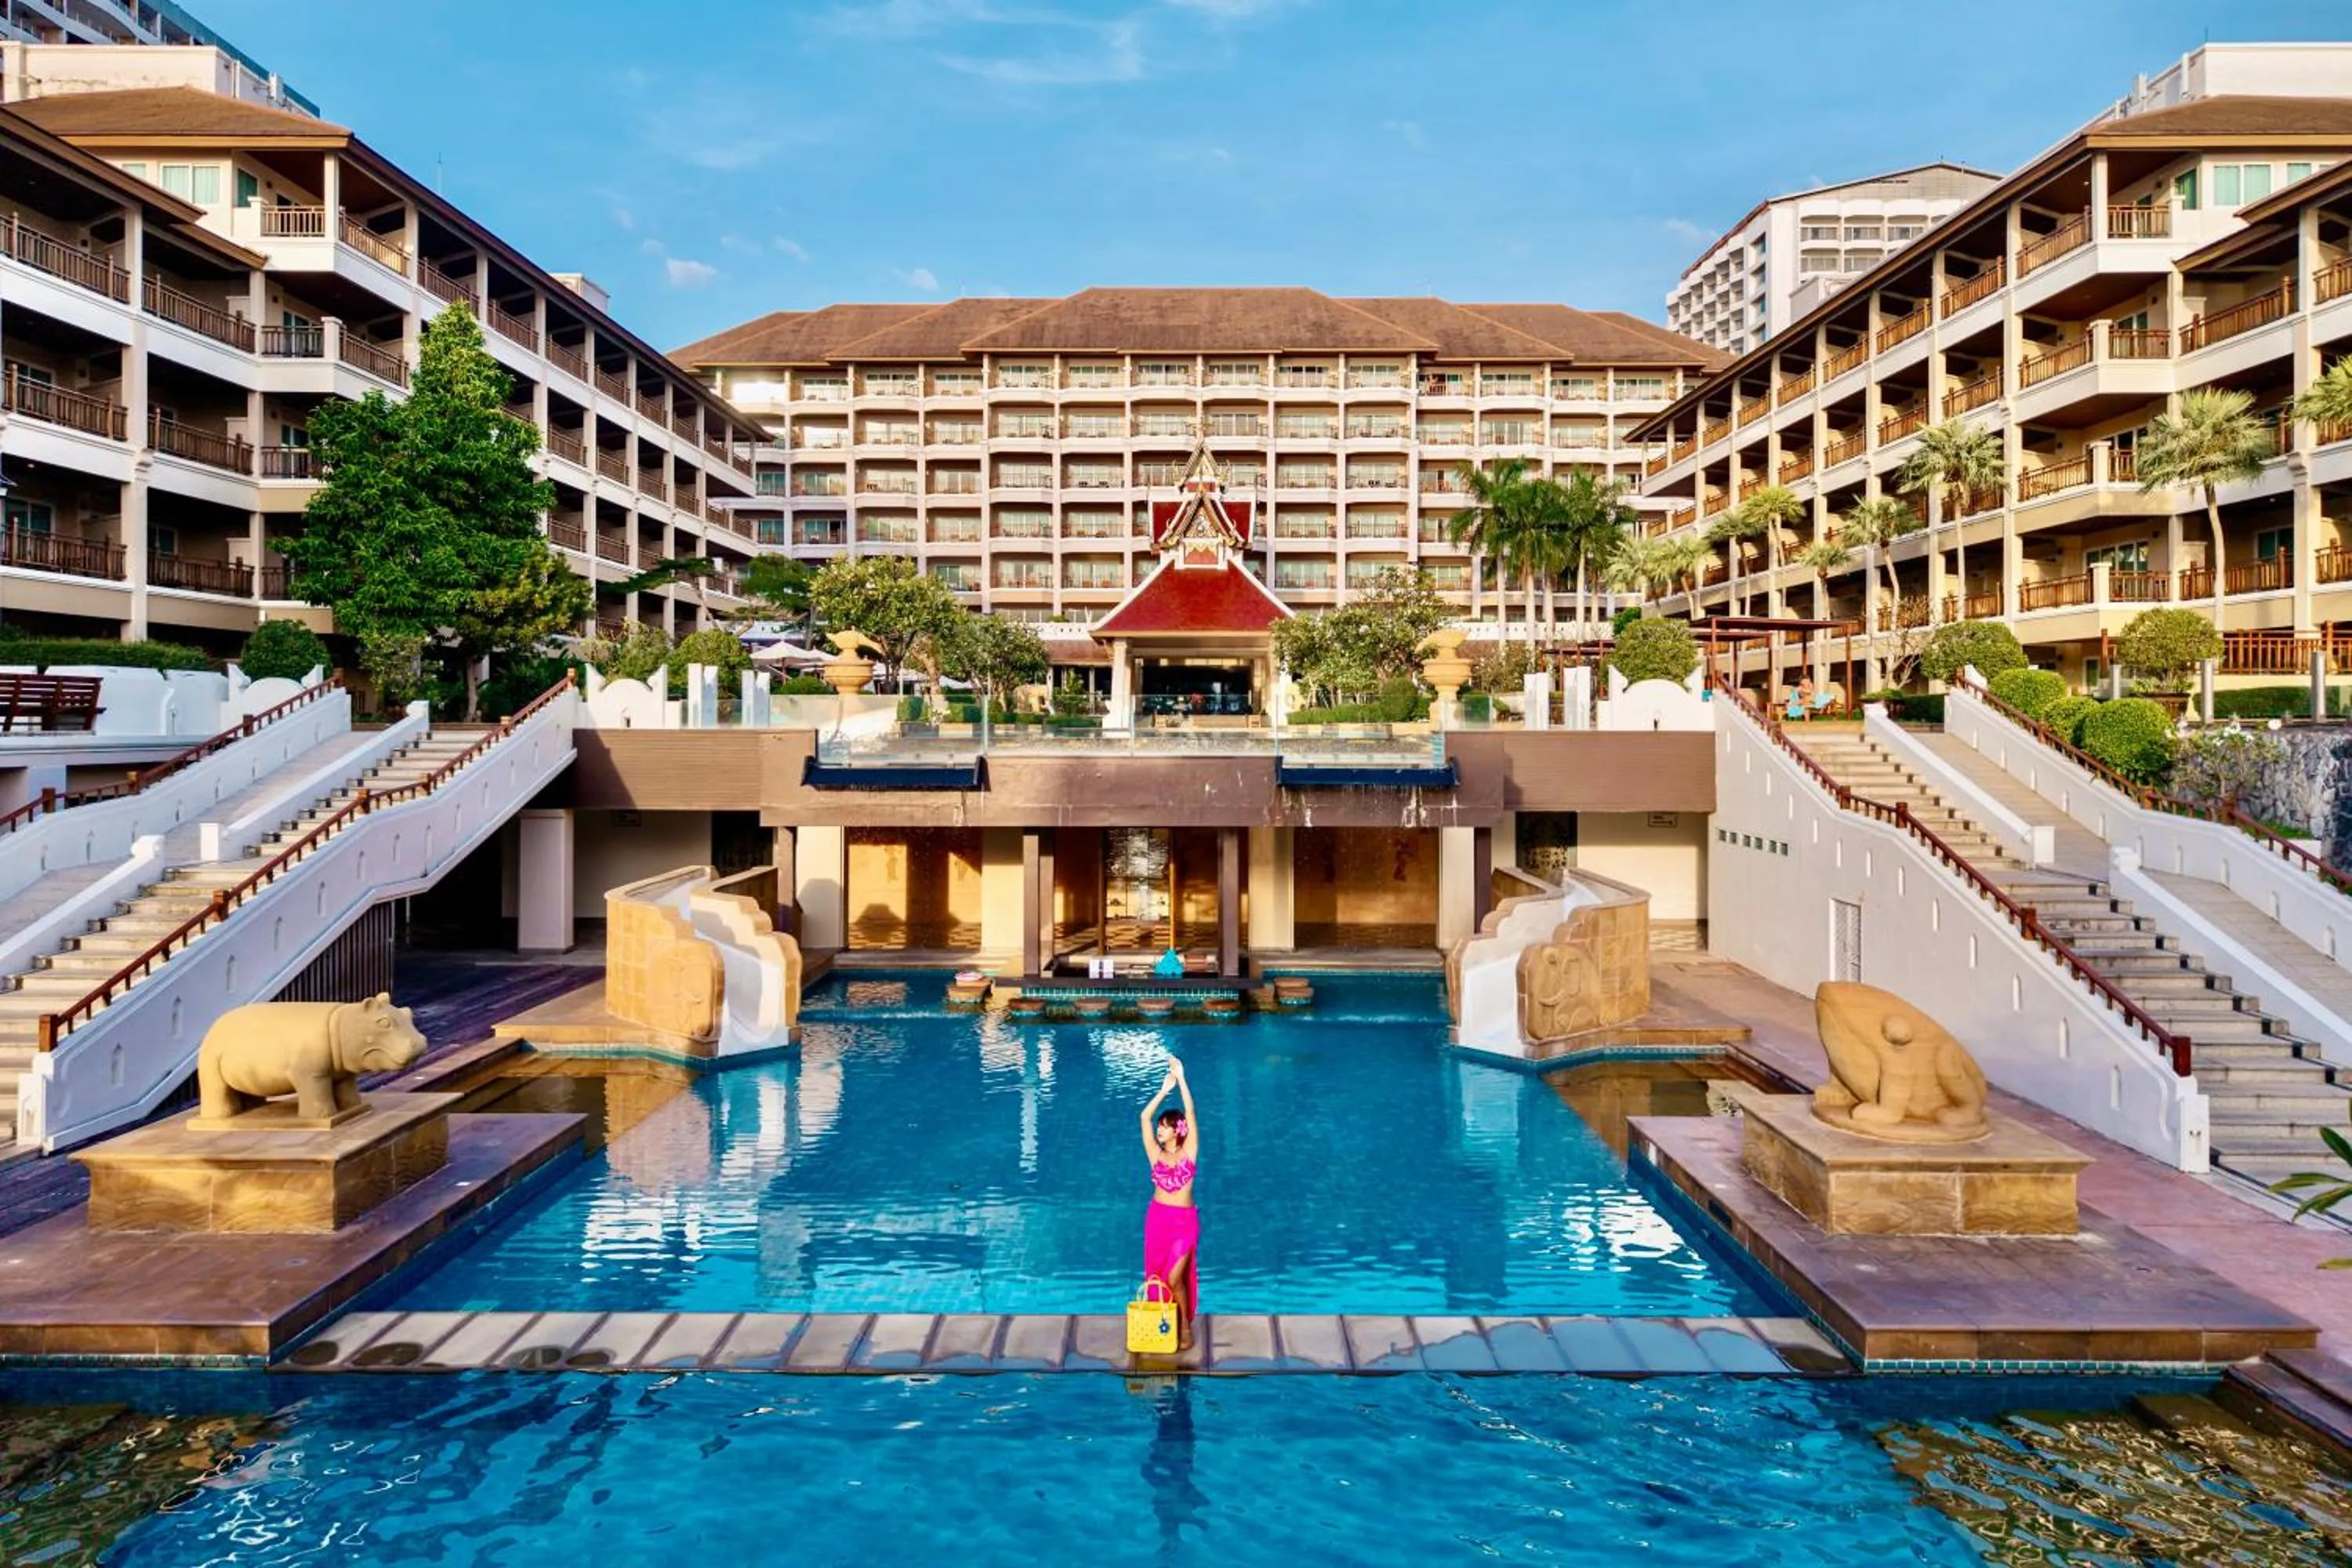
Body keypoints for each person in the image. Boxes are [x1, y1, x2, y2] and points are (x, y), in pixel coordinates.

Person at [1139, 1055, 1200, 1352]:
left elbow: (1190, 1109)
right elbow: (1143, 1118)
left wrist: (1182, 1078)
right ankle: (1167, 1325)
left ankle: (1185, 1329)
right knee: (1158, 1277)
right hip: (1158, 1220)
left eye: (1165, 1127)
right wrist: (1163, 1091)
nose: (1159, 1131)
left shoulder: (1190, 1150)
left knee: (1176, 1277)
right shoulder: (1155, 1154)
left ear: (1178, 1130)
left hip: (1184, 1222)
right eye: (1160, 1127)